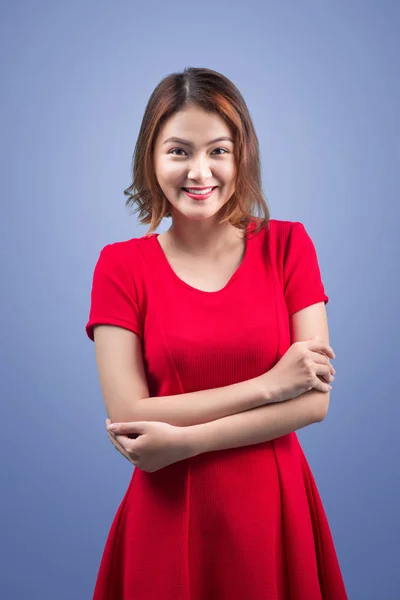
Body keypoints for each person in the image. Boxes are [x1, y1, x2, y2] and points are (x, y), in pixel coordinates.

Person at [85, 66, 348, 599]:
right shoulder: (119, 266)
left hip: (273, 507)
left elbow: (315, 403)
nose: (199, 171)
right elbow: (129, 411)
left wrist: (182, 441)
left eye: (218, 151)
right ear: (150, 158)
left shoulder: (289, 247)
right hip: (166, 513)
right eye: (179, 151)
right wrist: (270, 386)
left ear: (241, 155)